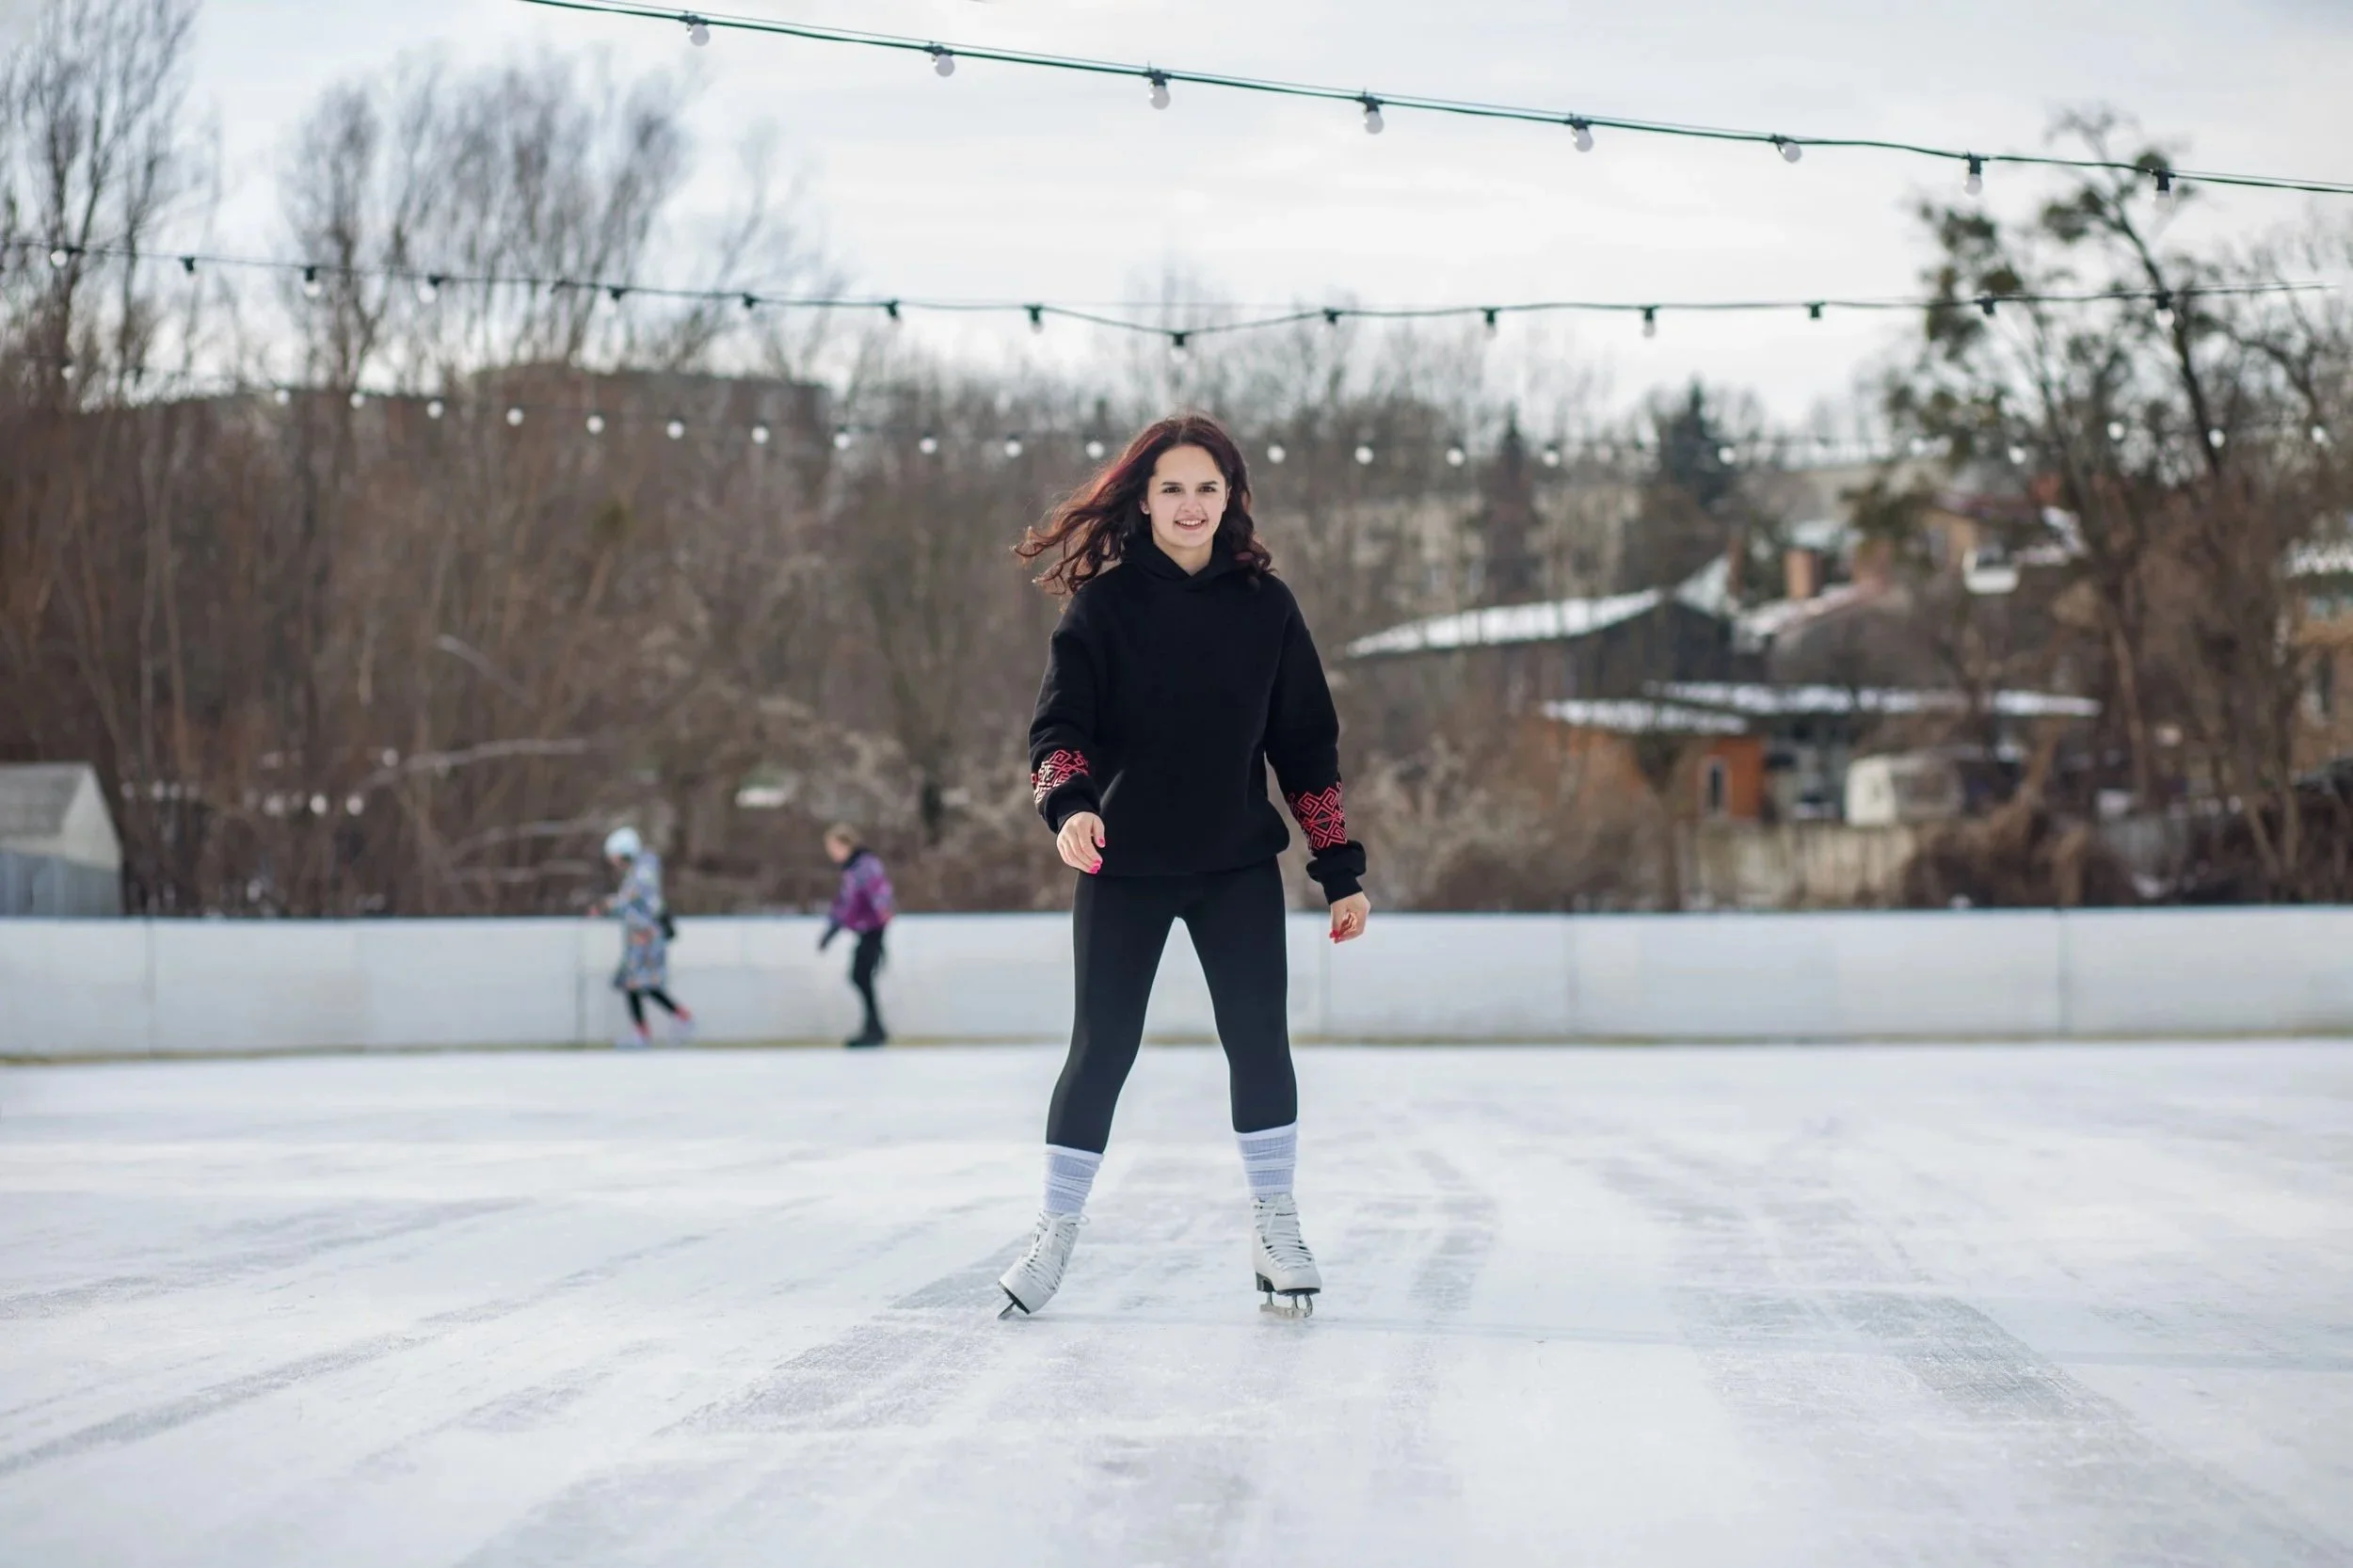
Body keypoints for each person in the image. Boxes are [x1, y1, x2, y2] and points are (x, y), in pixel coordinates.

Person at [997, 412, 1370, 1320]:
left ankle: (1275, 1224)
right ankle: (1055, 1232)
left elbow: (1305, 747)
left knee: (1259, 1044)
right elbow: (1058, 732)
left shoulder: (1267, 608)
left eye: (1208, 487)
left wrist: (1339, 867)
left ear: (1232, 498)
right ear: (1145, 499)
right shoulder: (1107, 607)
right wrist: (1071, 806)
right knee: (1102, 1051)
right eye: (1172, 488)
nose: (1191, 504)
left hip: (1236, 867)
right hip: (1123, 866)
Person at [591, 826, 693, 1048]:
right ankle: (673, 1020)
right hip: (641, 937)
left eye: (615, 856)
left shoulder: (641, 874)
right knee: (640, 984)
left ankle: (662, 1025)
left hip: (645, 938)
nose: (613, 862)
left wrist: (606, 906)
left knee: (637, 983)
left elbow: (630, 901)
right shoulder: (641, 871)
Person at [820, 824, 894, 1048]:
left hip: (873, 928)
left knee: (860, 975)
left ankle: (875, 1028)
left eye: (833, 846)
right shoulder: (852, 869)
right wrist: (832, 929)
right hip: (866, 928)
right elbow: (845, 904)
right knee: (859, 975)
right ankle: (874, 1027)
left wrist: (882, 916)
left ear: (845, 844)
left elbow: (879, 892)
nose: (831, 852)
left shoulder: (865, 866)